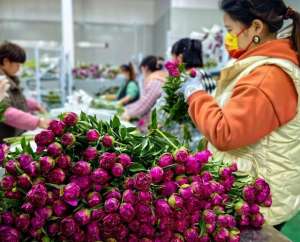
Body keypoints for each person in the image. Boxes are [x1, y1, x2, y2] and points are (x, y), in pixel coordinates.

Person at [180, 0, 300, 230]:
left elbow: (226, 132)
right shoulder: (260, 68)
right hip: (253, 192)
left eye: (230, 30)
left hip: (258, 204)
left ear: (256, 28)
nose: (229, 38)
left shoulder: (268, 76)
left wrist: (195, 95)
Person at [0, 41, 50, 142]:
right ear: (5, 62)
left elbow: (13, 99)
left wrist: (33, 104)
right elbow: (5, 112)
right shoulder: (1, 81)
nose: (19, 68)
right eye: (17, 64)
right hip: (4, 137)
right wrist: (38, 121)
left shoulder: (8, 78)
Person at [122, 56, 167, 128]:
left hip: (157, 125)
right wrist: (127, 108)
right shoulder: (158, 78)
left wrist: (128, 112)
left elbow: (145, 104)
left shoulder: (155, 81)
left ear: (145, 68)